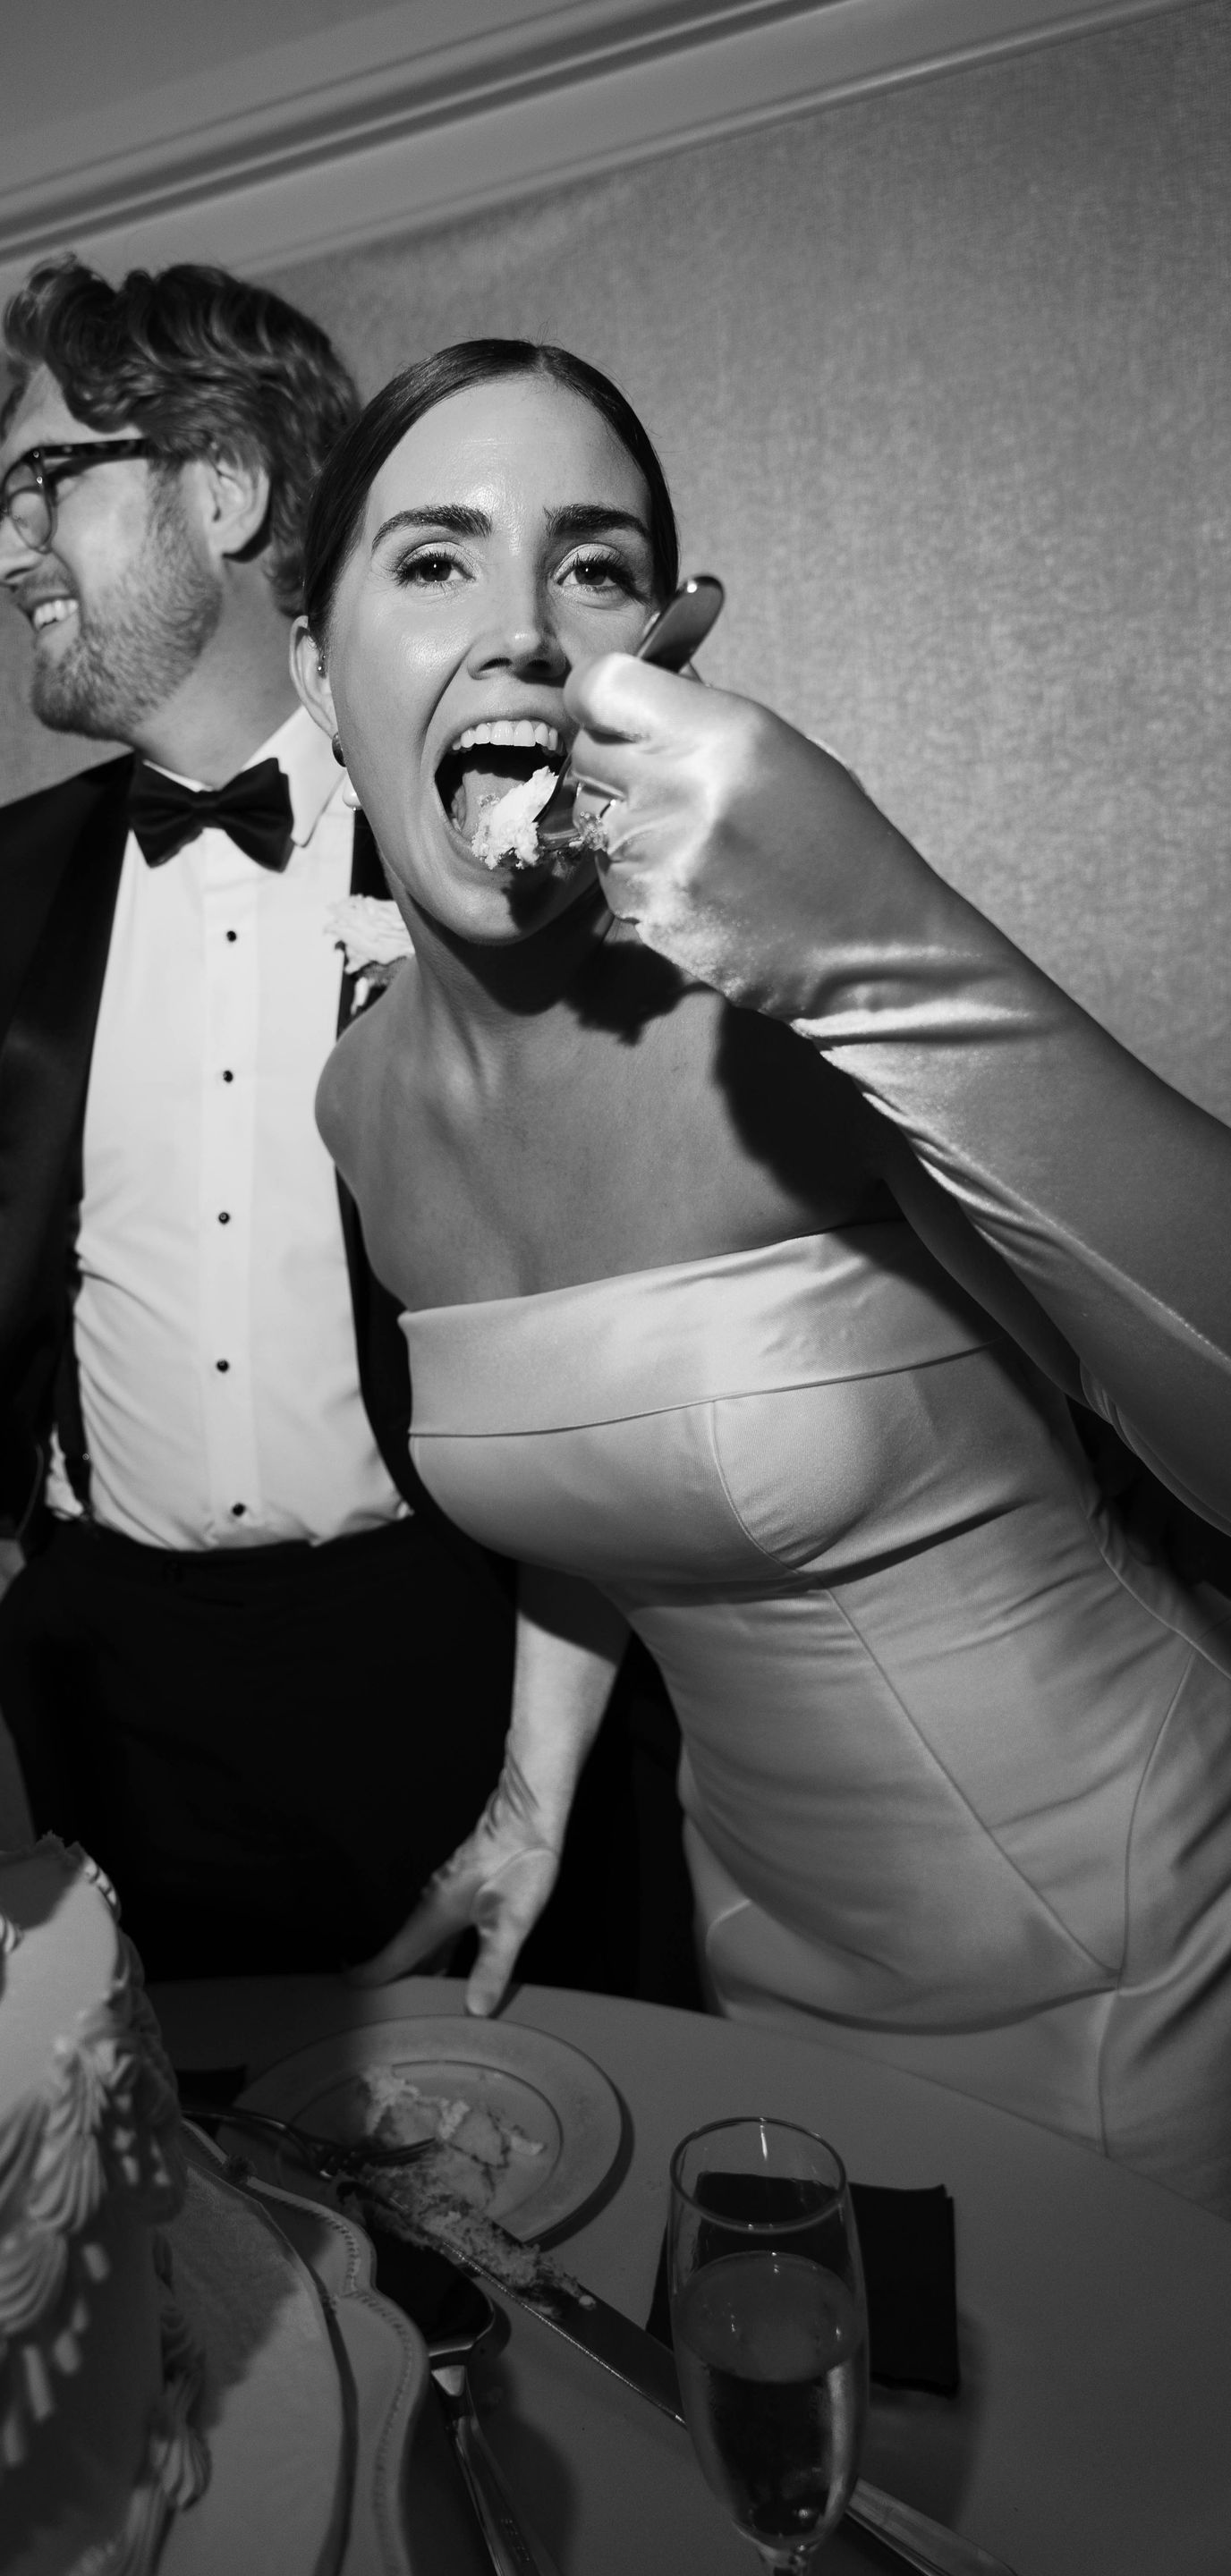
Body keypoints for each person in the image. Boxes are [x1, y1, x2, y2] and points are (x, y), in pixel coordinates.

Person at [293, 336, 1231, 2212]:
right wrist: (530, 1795)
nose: (524, 631)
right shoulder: (359, 1104)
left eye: (596, 563)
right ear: (320, 678)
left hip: (1130, 1946)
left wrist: (884, 951)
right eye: (431, 560)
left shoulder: (790, 1005)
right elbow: (600, 1460)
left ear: (666, 646)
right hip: (772, 1959)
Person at [0, 264, 676, 1988]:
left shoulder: (490, 838)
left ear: (226, 488)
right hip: (112, 1682)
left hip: (447, 1639)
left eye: (45, 483)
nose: (0, 549)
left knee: (524, 2141)